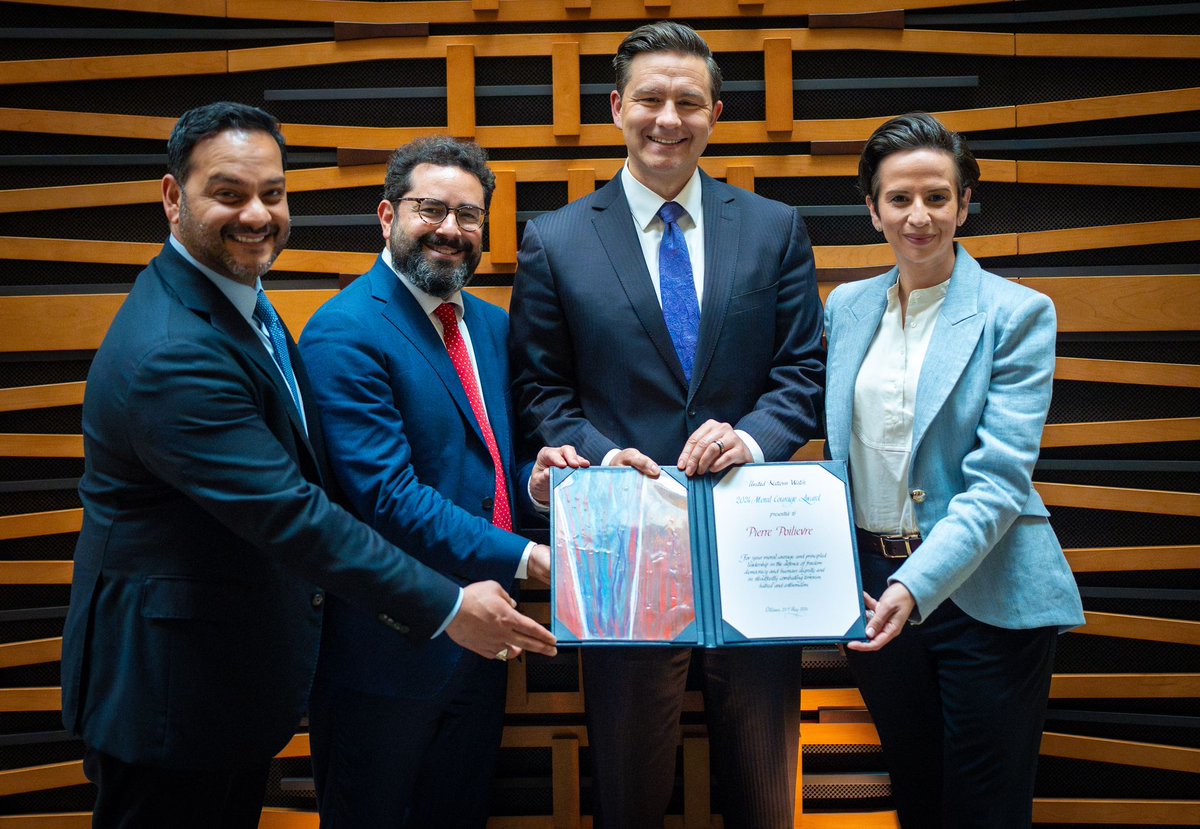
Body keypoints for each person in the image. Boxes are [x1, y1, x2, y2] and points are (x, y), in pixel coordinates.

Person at [60, 102, 556, 829]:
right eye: (228, 193)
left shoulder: (244, 308)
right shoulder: (178, 350)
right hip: (169, 685)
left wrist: (534, 489)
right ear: (173, 197)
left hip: (229, 667)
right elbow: (298, 511)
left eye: (272, 193)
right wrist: (453, 602)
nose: (256, 214)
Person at [509, 22, 825, 829]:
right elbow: (540, 387)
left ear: (715, 113)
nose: (667, 118)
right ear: (617, 107)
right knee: (628, 790)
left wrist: (750, 438)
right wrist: (595, 454)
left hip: (757, 550)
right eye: (649, 98)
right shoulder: (555, 239)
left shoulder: (775, 227)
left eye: (689, 101)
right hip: (623, 547)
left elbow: (801, 371)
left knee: (764, 791)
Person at [299, 136, 586, 827]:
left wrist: (537, 487)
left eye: (469, 216)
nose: (452, 230)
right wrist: (526, 555)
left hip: (483, 646)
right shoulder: (345, 331)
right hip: (385, 651)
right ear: (387, 215)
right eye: (432, 210)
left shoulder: (487, 324)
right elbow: (387, 495)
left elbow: (485, 466)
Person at [824, 112, 1085, 828]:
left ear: (964, 203)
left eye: (938, 197)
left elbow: (1000, 478)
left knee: (984, 808)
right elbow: (833, 454)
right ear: (872, 208)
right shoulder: (845, 308)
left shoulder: (1019, 313)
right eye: (900, 198)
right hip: (875, 594)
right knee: (915, 791)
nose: (920, 216)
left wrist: (917, 582)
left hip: (988, 597)